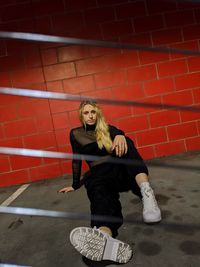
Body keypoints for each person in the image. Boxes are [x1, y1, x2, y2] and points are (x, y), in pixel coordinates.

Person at [59, 101, 161, 264]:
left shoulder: (106, 128)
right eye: (86, 113)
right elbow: (76, 160)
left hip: (118, 170)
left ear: (97, 113)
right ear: (81, 115)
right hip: (98, 173)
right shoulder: (75, 134)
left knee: (126, 141)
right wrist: (75, 184)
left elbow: (118, 133)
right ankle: (104, 235)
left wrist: (120, 135)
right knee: (99, 194)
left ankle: (147, 193)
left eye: (93, 112)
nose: (90, 115)